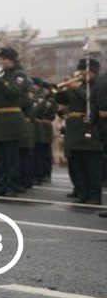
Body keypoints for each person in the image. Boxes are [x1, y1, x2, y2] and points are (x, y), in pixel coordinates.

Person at [0, 47, 30, 198]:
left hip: (11, 119)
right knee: (1, 158)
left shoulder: (19, 75)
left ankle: (12, 186)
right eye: (1, 60)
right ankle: (2, 185)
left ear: (12, 60)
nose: (1, 63)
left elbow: (12, 92)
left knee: (12, 158)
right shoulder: (2, 75)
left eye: (4, 60)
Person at [56, 58, 102, 205]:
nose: (81, 73)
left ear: (93, 71)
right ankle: (83, 193)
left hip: (89, 127)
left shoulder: (98, 84)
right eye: (80, 70)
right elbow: (62, 99)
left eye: (84, 70)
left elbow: (91, 100)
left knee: (92, 166)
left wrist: (76, 87)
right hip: (74, 130)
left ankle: (94, 196)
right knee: (78, 164)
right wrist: (65, 88)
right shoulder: (79, 86)